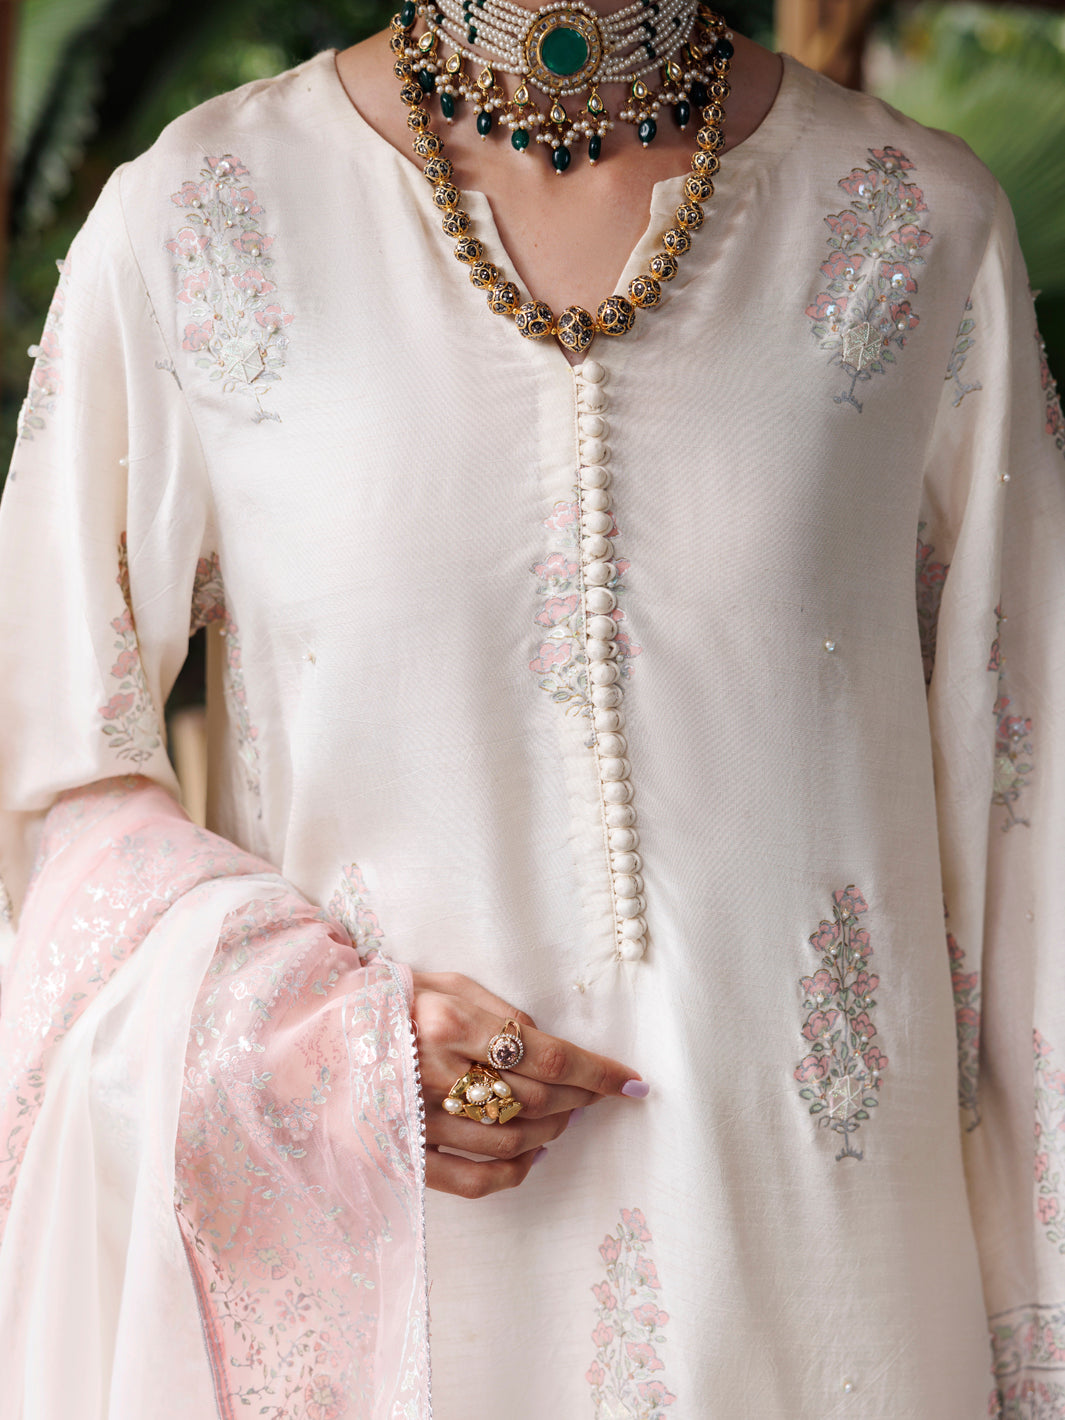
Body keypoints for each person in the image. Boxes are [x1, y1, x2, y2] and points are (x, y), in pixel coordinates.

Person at [0, 0, 1062, 1414]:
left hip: (832, 1294)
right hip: (403, 1293)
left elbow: (1032, 823)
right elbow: (53, 776)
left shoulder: (920, 224)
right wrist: (324, 1048)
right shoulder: (200, 216)